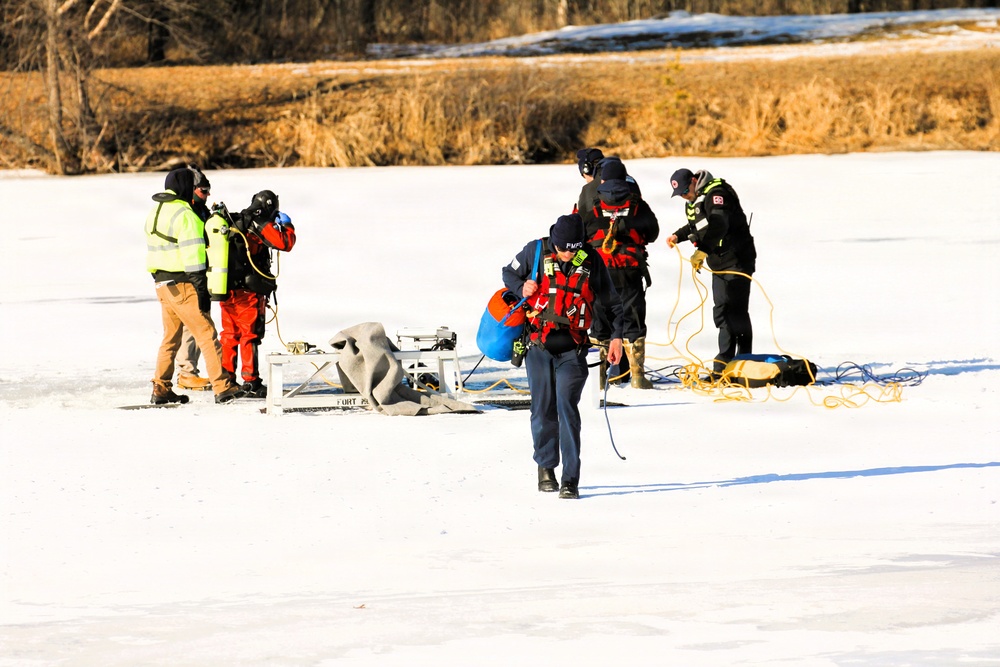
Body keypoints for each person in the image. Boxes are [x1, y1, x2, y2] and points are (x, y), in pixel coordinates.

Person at [502, 213, 624, 500]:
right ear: (554, 241)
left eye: (574, 249)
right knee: (542, 409)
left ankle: (571, 479)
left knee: (566, 409)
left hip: (573, 348)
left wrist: (617, 336)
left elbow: (613, 304)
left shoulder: (592, 261)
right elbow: (508, 273)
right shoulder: (534, 251)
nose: (568, 254)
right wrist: (521, 288)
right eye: (563, 249)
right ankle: (545, 468)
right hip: (538, 345)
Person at [145, 166, 243, 404]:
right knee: (207, 335)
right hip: (183, 283)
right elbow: (194, 257)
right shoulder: (185, 214)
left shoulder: (155, 211)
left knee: (171, 338)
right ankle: (223, 386)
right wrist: (201, 289)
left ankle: (161, 387)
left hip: (161, 285)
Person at [666, 167, 757, 374]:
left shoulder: (717, 194)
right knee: (722, 310)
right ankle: (724, 363)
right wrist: (677, 236)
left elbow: (719, 224)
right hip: (719, 262)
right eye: (679, 195)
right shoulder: (696, 199)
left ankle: (743, 361)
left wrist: (702, 251)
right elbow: (698, 224)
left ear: (693, 181)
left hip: (737, 259)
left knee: (735, 311)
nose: (683, 197)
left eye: (684, 192)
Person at [585, 158, 659, 389]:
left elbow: (582, 233)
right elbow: (653, 232)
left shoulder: (591, 203)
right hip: (629, 272)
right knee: (633, 319)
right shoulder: (638, 204)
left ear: (603, 179)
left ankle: (601, 377)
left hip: (599, 272)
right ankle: (637, 377)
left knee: (600, 321)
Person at [216, 190, 296, 399]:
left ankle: (227, 380)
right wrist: (287, 225)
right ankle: (251, 382)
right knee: (249, 334)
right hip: (248, 291)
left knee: (229, 334)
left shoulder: (236, 219)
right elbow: (285, 243)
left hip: (226, 288)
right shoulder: (259, 221)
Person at [174, 168, 213, 391]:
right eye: (203, 190)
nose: (207, 195)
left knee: (177, 330)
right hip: (188, 276)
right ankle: (187, 373)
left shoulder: (199, 209)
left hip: (189, 275)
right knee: (196, 326)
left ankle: (176, 375)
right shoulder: (187, 212)